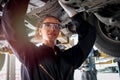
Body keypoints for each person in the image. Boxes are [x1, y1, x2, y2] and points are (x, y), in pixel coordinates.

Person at [1, 0, 96, 80]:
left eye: (57, 26)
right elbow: (12, 25)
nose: (53, 29)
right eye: (48, 25)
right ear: (40, 31)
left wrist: (74, 16)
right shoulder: (31, 55)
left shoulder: (32, 56)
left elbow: (89, 37)